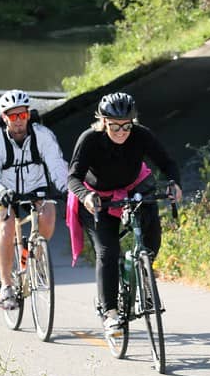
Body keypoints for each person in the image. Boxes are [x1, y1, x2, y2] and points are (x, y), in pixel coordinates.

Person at [67, 91, 183, 334]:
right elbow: (73, 177)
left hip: (133, 188)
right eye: (114, 126)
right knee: (108, 252)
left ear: (134, 122)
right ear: (103, 122)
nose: (121, 132)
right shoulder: (89, 139)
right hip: (97, 198)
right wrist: (86, 196)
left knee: (151, 235)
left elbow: (167, 162)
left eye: (126, 126)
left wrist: (174, 183)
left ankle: (143, 273)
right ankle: (109, 312)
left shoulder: (141, 135)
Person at [0, 89, 69, 310]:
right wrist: (0, 191)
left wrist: (67, 188)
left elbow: (57, 166)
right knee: (7, 228)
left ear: (28, 115)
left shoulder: (43, 135)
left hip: (35, 188)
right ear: (4, 118)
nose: (18, 121)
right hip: (4, 191)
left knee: (48, 216)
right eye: (12, 116)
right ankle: (7, 286)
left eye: (22, 115)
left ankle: (36, 258)